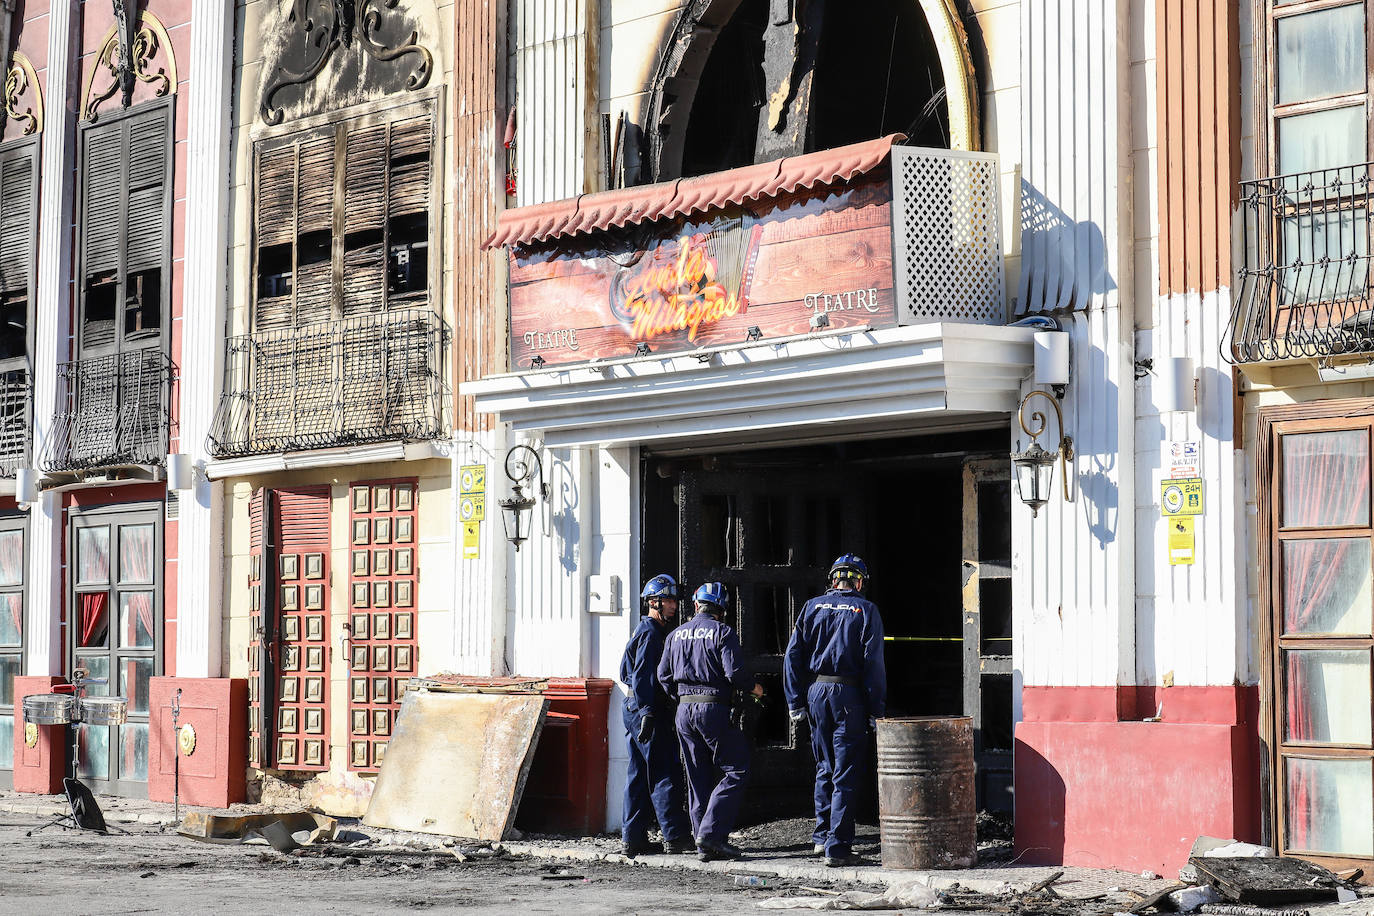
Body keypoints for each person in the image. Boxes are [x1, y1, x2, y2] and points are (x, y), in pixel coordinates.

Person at [783, 554, 886, 868]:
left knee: (824, 767)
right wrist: (876, 710)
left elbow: (792, 657)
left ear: (832, 580)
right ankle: (838, 847)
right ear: (858, 581)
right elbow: (873, 665)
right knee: (845, 771)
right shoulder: (866, 610)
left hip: (817, 692)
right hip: (848, 695)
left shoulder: (811, 607)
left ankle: (821, 837)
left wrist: (794, 701)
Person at [656, 581, 756, 862]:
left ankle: (703, 842)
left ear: (697, 605)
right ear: (722, 609)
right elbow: (735, 674)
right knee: (736, 769)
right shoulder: (723, 633)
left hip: (684, 711)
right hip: (712, 708)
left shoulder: (675, 635)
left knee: (697, 778)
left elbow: (663, 676)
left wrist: (683, 697)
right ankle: (710, 835)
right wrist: (755, 689)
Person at [619, 573, 695, 857]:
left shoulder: (647, 629)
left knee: (638, 774)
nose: (674, 605)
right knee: (664, 771)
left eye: (674, 599)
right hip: (646, 709)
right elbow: (642, 676)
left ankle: (633, 837)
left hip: (634, 708)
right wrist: (650, 711)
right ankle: (674, 836)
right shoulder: (652, 632)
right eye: (669, 600)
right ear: (654, 602)